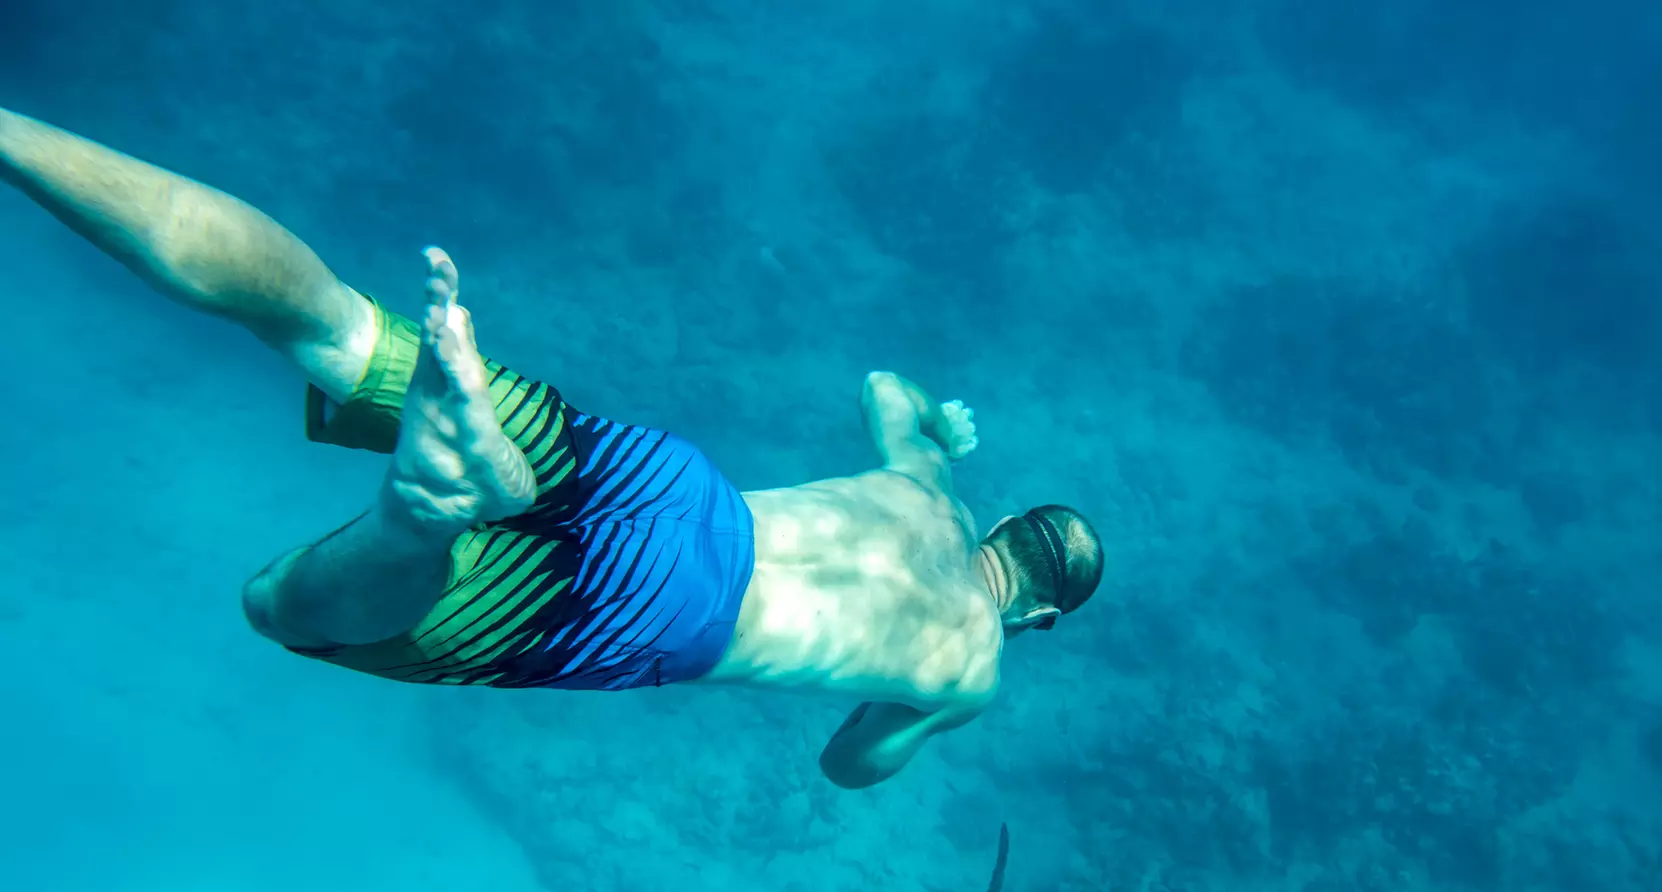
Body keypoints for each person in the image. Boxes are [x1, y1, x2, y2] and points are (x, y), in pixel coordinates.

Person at [0, 107, 1104, 788]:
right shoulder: (978, 669)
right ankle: (421, 516)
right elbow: (849, 767)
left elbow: (885, 387)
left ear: (1006, 523)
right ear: (1043, 613)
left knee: (331, 323)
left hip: (686, 488)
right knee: (276, 609)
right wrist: (912, 719)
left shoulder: (931, 491)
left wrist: (943, 427)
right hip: (670, 607)